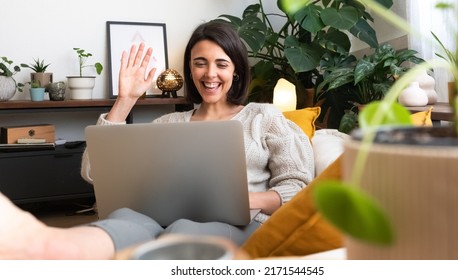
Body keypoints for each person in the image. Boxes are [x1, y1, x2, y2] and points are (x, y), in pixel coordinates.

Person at [0, 21, 314, 259]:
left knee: (181, 231)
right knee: (126, 220)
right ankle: (49, 249)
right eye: (200, 62)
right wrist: (125, 99)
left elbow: (298, 184)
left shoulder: (263, 117)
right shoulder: (169, 122)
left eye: (221, 64)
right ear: (189, 69)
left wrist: (250, 200)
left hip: (233, 221)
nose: (210, 74)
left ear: (236, 70)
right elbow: (95, 172)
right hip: (158, 215)